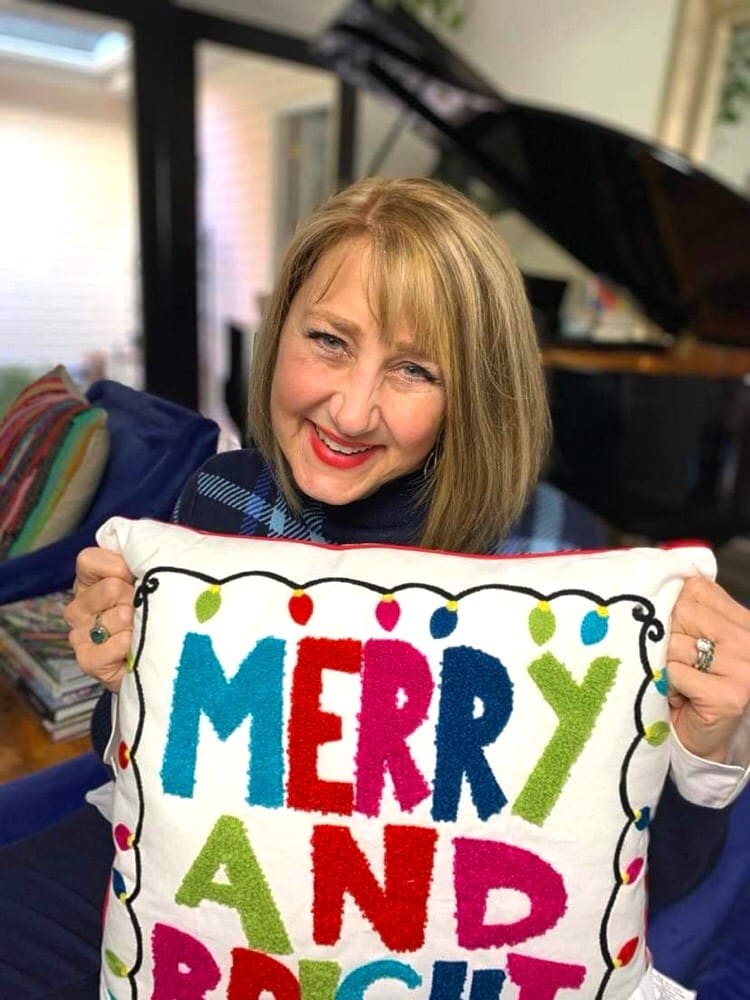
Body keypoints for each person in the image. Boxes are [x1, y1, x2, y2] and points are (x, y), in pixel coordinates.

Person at [3, 177, 749, 997]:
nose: (352, 412)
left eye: (413, 369)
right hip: (196, 892)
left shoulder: (550, 559)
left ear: (472, 390)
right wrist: (121, 672)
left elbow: (639, 872)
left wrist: (706, 746)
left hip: (432, 945)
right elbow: (136, 755)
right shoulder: (220, 496)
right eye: (328, 340)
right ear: (277, 326)